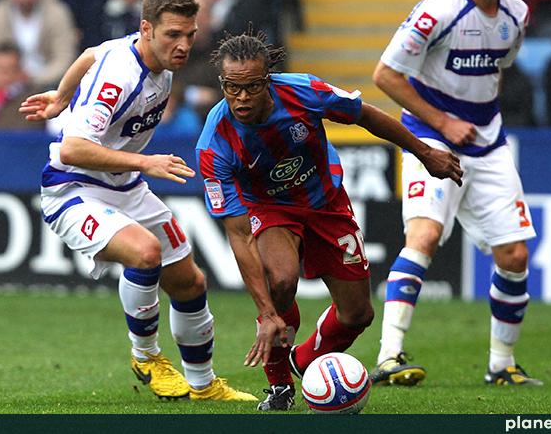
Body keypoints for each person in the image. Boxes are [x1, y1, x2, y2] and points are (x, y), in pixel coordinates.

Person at [195, 30, 463, 411]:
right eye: (231, 87)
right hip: (268, 209)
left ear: (268, 80)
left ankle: (302, 362)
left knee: (358, 314)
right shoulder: (215, 141)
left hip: (327, 203)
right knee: (282, 280)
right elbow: (238, 234)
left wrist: (424, 152)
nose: (241, 97)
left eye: (252, 86)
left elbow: (365, 115)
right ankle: (280, 385)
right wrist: (266, 313)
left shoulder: (303, 92)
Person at [19, 0, 256, 403]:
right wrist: (147, 162)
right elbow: (73, 147)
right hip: (73, 190)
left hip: (123, 186)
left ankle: (203, 386)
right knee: (146, 252)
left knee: (189, 281)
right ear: (146, 28)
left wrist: (62, 94)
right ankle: (145, 356)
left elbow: (91, 52)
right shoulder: (120, 77)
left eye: (190, 34)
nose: (183, 46)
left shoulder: (146, 58)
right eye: (172, 35)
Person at [369, 0, 542, 387]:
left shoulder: (517, 15)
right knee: (423, 237)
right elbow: (385, 75)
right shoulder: (438, 11)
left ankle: (502, 364)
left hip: (487, 141)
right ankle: (388, 356)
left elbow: (496, 70)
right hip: (431, 136)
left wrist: (474, 121)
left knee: (514, 256)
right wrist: (443, 122)